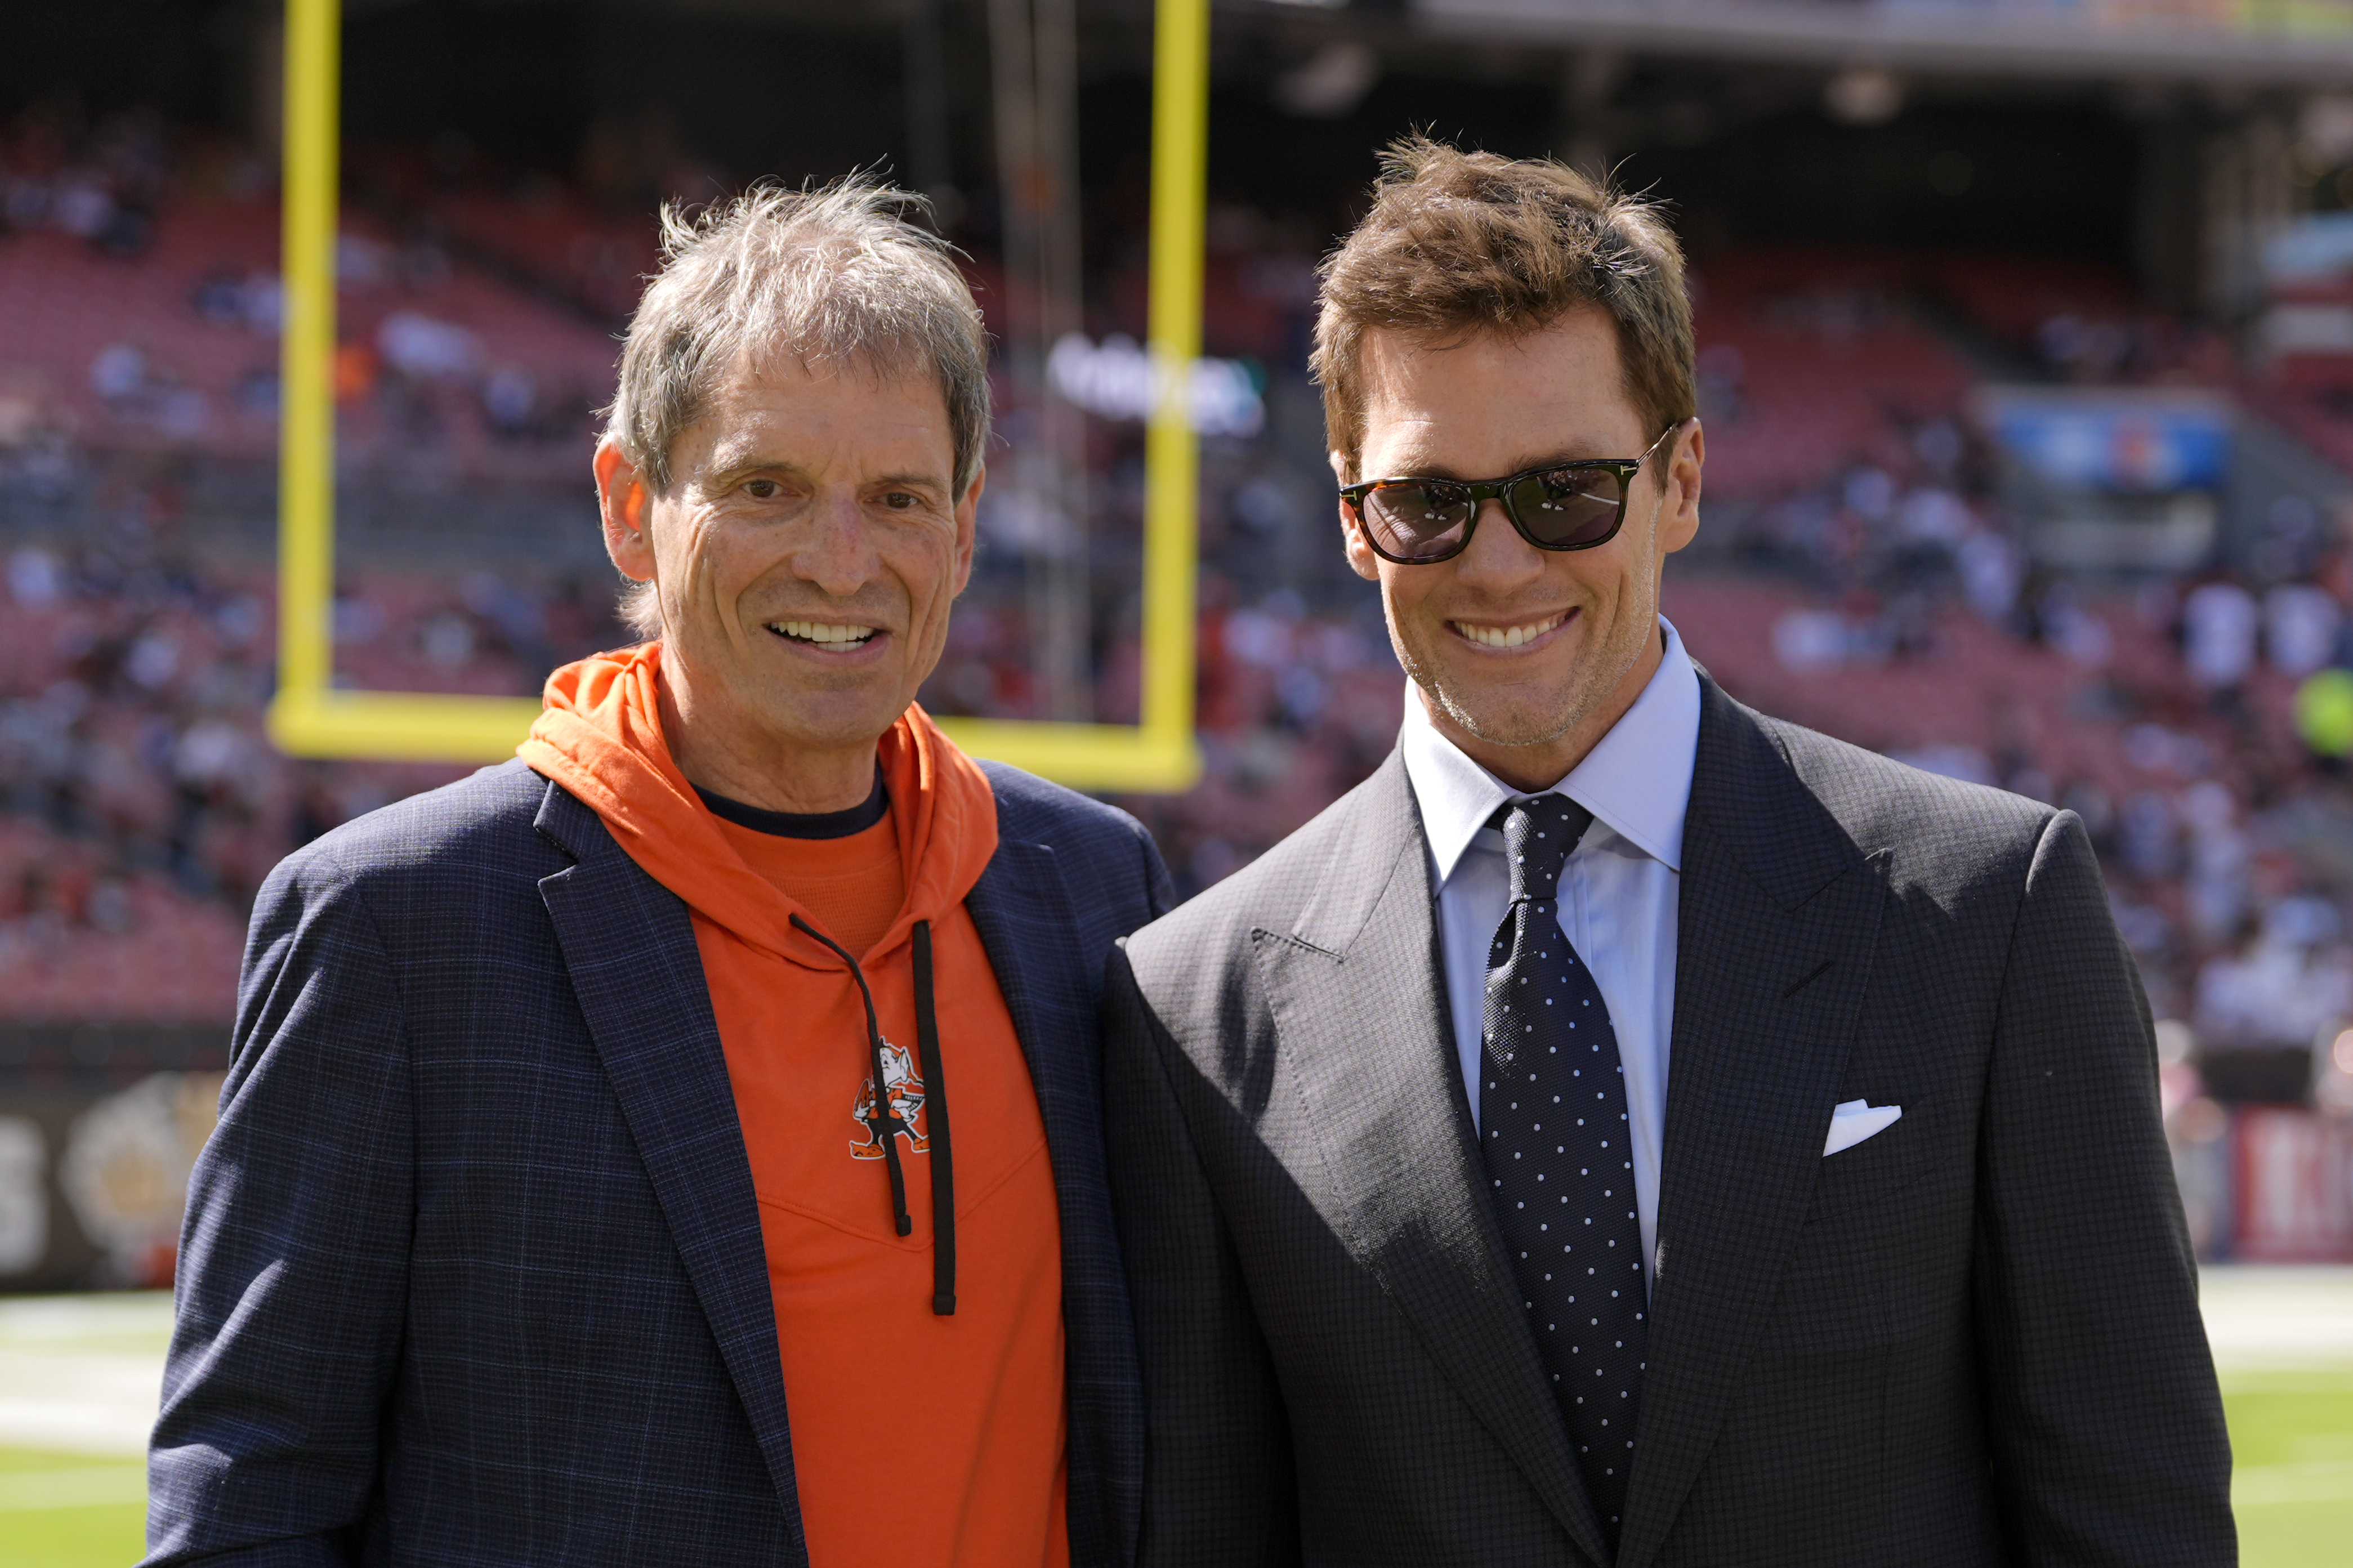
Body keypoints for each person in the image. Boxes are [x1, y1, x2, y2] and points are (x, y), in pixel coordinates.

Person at [1101, 139, 2232, 1568]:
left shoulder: (1982, 911)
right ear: (1350, 521)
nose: (1497, 563)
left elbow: (2134, 1517)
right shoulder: (1194, 1010)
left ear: (1680, 479)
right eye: (1427, 501)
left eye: (1564, 490)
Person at [148, 181, 1171, 1567]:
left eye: (898, 498)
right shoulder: (399, 928)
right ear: (631, 507)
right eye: (766, 487)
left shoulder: (1090, 888)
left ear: (966, 526)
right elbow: (247, 1499)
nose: (841, 557)